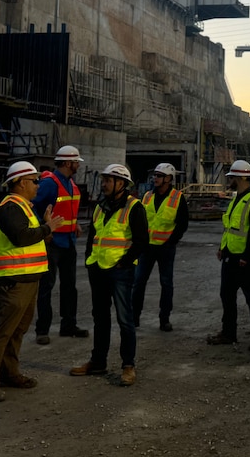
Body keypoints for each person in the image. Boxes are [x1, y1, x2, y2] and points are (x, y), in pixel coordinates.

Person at [0, 161, 62, 403]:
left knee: (17, 330)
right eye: (35, 181)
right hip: (13, 281)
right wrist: (47, 227)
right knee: (2, 332)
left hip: (28, 278)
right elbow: (22, 237)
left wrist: (45, 229)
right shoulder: (9, 208)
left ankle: (9, 374)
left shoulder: (24, 208)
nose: (37, 185)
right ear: (22, 182)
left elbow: (33, 239)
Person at [70, 163, 148, 386]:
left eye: (108, 180)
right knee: (100, 318)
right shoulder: (100, 206)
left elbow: (142, 241)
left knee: (125, 320)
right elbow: (93, 236)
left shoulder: (134, 207)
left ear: (121, 184)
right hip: (99, 269)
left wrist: (123, 263)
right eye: (104, 180)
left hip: (120, 272)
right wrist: (89, 261)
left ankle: (128, 366)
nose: (103, 184)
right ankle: (98, 362)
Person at [207, 160, 250, 351]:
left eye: (231, 177)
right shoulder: (236, 199)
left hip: (244, 258)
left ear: (240, 177)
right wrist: (222, 248)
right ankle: (228, 333)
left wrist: (247, 257)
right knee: (227, 295)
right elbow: (231, 229)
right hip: (230, 256)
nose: (229, 180)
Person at [33, 145, 88, 345]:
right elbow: (34, 208)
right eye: (76, 162)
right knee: (46, 286)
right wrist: (44, 229)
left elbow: (66, 211)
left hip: (69, 242)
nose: (78, 166)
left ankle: (68, 325)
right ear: (66, 163)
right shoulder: (50, 183)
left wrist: (75, 225)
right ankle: (42, 329)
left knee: (69, 286)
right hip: (52, 243)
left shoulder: (71, 184)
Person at [133, 162, 189, 332]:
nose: (155, 178)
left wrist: (171, 241)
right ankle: (134, 317)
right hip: (147, 248)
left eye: (159, 176)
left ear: (168, 179)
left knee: (166, 284)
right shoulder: (147, 196)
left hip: (166, 248)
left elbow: (182, 224)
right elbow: (141, 221)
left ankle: (164, 319)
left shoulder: (178, 198)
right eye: (155, 176)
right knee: (138, 282)